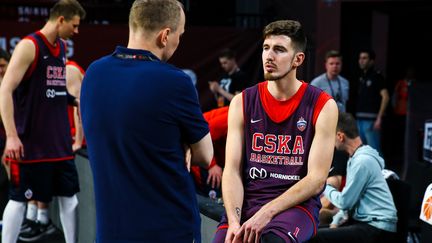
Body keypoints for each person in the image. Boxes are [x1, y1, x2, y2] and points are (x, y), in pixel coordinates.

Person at [80, 1, 213, 242]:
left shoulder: (93, 74)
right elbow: (205, 155)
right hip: (168, 230)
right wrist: (183, 144)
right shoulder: (175, 82)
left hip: (111, 232)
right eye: (179, 36)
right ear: (165, 36)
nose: (178, 43)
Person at [212, 20, 338, 243]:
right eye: (266, 48)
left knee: (271, 240)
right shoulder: (242, 102)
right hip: (251, 201)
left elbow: (317, 179)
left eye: (279, 50)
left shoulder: (323, 105)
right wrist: (233, 220)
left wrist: (267, 213)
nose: (269, 56)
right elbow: (231, 170)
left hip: (297, 207)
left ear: (298, 59)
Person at [0, 1, 86, 242]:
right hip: (30, 147)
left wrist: (72, 100)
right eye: (74, 25)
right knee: (18, 200)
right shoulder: (30, 46)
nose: (76, 31)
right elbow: (5, 90)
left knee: (70, 200)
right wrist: (11, 136)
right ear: (61, 19)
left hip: (59, 146)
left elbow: (51, 89)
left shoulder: (61, 48)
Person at [308, 112, 397, 243]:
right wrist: (336, 222)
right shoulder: (355, 158)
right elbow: (349, 204)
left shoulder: (362, 161)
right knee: (314, 232)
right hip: (368, 223)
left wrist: (324, 186)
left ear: (340, 136)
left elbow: (345, 202)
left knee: (316, 238)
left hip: (377, 228)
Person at [355, 49, 389, 154]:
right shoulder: (361, 77)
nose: (361, 61)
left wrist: (379, 118)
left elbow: (386, 97)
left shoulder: (377, 77)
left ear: (371, 61)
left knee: (374, 151)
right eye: (360, 58)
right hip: (359, 120)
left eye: (365, 58)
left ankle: (381, 171)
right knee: (362, 152)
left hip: (371, 121)